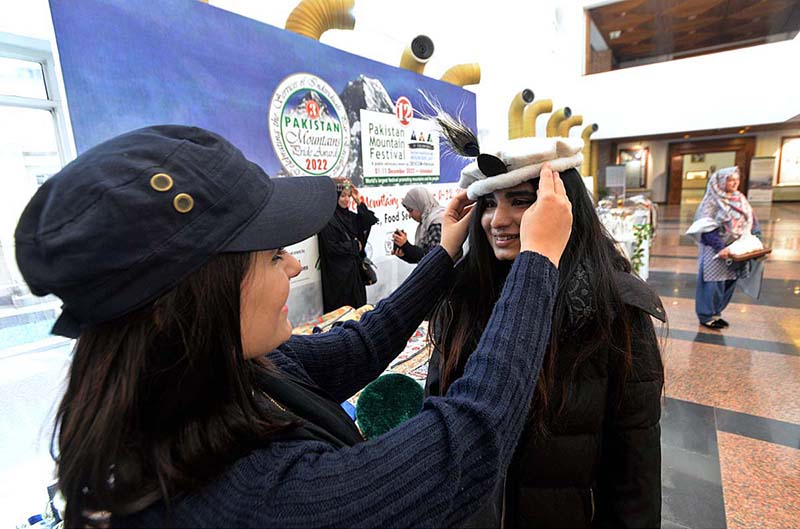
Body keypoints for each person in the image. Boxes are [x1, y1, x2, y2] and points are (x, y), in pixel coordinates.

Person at [14, 125, 574, 528]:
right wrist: (537, 264)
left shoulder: (226, 375)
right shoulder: (255, 500)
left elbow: (362, 342)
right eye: (273, 255)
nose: (295, 265)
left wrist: (444, 256)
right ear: (189, 302)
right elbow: (468, 440)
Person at [424, 117, 665, 528]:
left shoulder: (614, 311)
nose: (497, 220)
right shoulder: (465, 299)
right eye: (488, 203)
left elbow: (635, 471)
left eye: (520, 201)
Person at [686, 166, 762, 329]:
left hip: (737, 250)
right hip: (717, 250)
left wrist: (757, 239)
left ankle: (716, 313)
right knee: (713, 284)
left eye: (736, 179)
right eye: (730, 179)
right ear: (721, 181)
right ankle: (706, 315)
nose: (734, 183)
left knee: (729, 282)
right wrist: (720, 247)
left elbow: (751, 220)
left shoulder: (739, 198)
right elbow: (705, 226)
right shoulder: (711, 201)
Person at [317, 179, 378, 312]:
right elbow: (331, 247)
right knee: (342, 314)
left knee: (359, 311)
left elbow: (368, 221)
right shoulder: (327, 220)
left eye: (348, 196)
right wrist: (354, 246)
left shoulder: (349, 217)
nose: (346, 200)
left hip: (354, 275)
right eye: (342, 196)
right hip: (338, 277)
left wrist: (358, 201)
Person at [392, 187, 445, 263]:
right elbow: (421, 259)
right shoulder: (425, 223)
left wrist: (406, 246)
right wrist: (404, 254)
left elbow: (435, 258)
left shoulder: (435, 223)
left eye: (410, 210)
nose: (410, 215)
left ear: (420, 204)